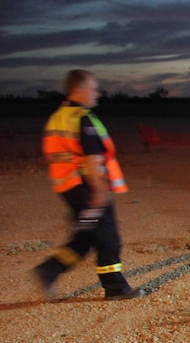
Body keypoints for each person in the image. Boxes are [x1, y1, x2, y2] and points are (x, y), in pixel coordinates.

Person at [33, 69, 142, 301]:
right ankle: (115, 288)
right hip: (87, 189)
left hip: (68, 188)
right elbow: (91, 158)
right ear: (80, 91)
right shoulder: (82, 119)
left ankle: (49, 270)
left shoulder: (58, 117)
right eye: (93, 89)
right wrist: (99, 191)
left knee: (84, 237)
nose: (97, 93)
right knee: (108, 238)